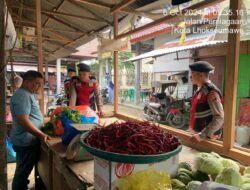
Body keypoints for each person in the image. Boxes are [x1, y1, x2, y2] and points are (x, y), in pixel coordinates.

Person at [10, 70, 50, 190]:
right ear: (27, 82)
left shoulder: (27, 94)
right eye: (36, 83)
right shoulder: (23, 95)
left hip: (26, 140)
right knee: (22, 173)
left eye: (40, 84)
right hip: (25, 142)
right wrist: (41, 134)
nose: (38, 87)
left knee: (24, 170)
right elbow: (23, 120)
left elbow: (32, 116)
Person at [188, 61, 224, 144]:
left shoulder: (211, 92)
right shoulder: (200, 89)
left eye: (193, 73)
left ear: (201, 75)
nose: (190, 76)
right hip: (197, 134)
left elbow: (219, 117)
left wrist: (201, 135)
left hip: (207, 137)